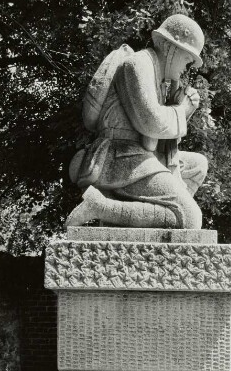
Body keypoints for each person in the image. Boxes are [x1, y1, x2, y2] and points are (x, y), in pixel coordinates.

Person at [66, 14, 208, 229]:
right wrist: (182, 109)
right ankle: (101, 207)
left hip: (139, 154)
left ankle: (151, 217)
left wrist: (180, 107)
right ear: (170, 48)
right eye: (187, 59)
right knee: (190, 219)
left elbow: (153, 141)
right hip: (119, 156)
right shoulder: (137, 64)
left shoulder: (159, 78)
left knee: (198, 165)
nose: (187, 67)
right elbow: (150, 123)